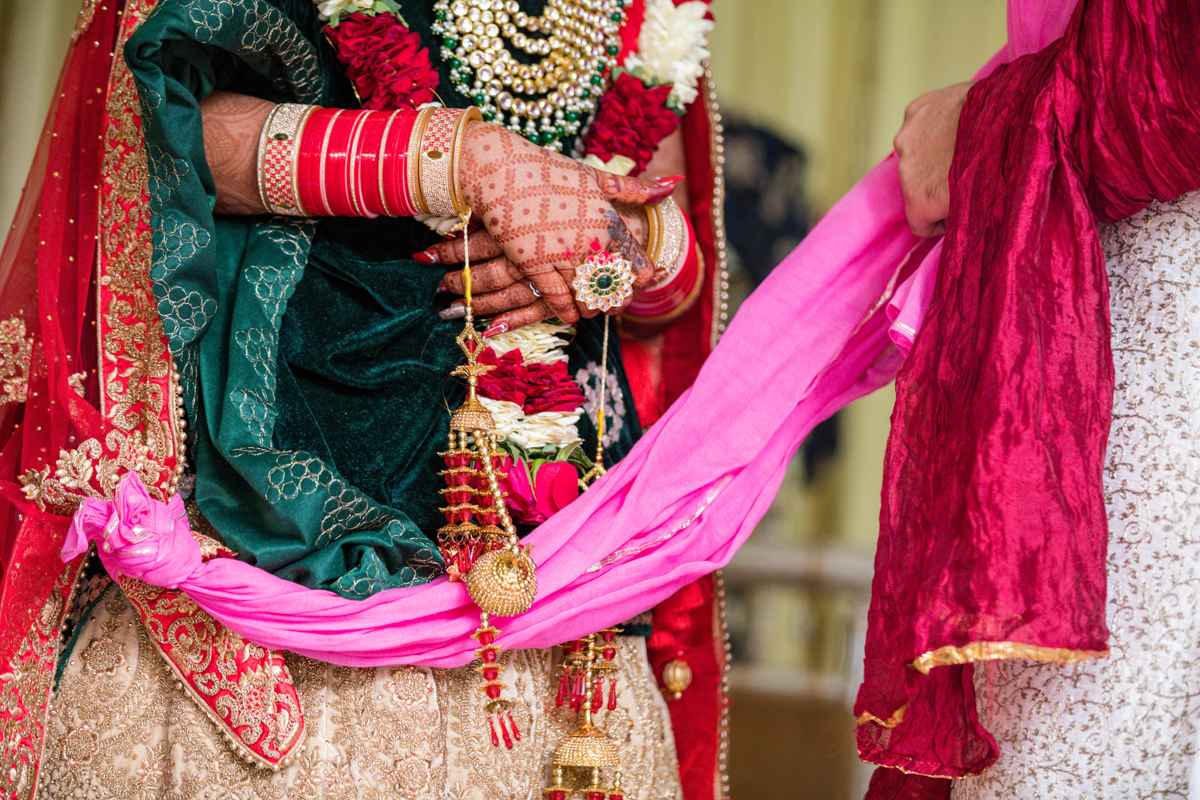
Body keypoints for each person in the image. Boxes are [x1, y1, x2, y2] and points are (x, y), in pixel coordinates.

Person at [0, 0, 731, 798]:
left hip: (570, 537)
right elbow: (158, 131)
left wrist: (621, 244)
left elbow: (672, 287)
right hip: (302, 487)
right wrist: (467, 162)